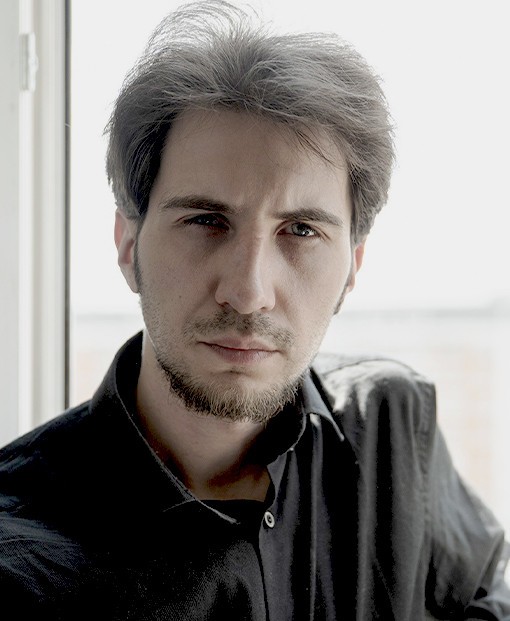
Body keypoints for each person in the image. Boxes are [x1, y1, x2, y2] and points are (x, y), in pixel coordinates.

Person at [1, 1, 509, 618]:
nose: (248, 292)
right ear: (128, 244)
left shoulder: (392, 424)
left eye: (301, 231)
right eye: (206, 220)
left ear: (353, 265)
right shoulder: (17, 559)